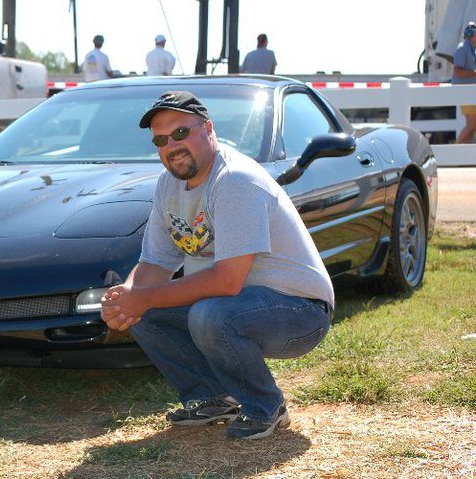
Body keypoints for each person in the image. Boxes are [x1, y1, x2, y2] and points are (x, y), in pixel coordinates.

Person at [100, 91, 334, 440]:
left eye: (181, 133)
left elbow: (227, 281)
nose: (171, 146)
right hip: (235, 305)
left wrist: (144, 297)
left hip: (300, 312)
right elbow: (155, 261)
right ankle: (211, 398)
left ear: (208, 128)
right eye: (161, 140)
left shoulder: (235, 180)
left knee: (208, 314)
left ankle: (266, 407)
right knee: (146, 309)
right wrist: (127, 299)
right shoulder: (169, 185)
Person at [453, 22, 476, 144]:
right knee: (473, 125)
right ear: (471, 34)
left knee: (471, 126)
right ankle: (454, 149)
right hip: (465, 92)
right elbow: (458, 72)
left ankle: (462, 158)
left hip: (469, 92)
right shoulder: (463, 49)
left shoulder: (471, 49)